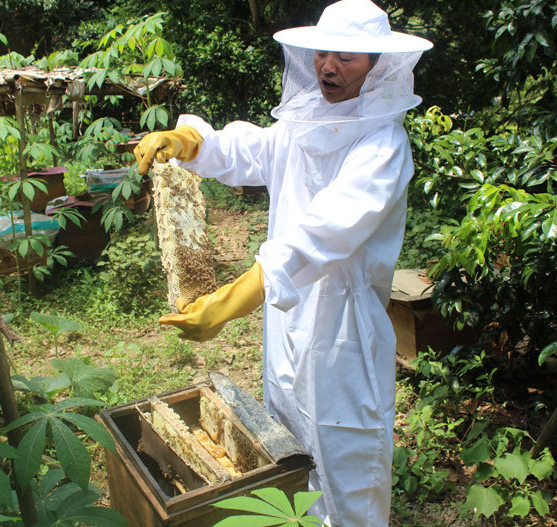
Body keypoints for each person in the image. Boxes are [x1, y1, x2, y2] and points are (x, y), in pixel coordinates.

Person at [134, 0, 432, 524]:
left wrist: (236, 297)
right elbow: (250, 149)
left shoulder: (384, 144)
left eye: (346, 57)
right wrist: (190, 141)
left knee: (346, 463)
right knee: (290, 447)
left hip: (343, 329)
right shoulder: (302, 124)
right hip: (289, 315)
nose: (328, 67)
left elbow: (326, 231)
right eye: (321, 53)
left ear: (378, 66)